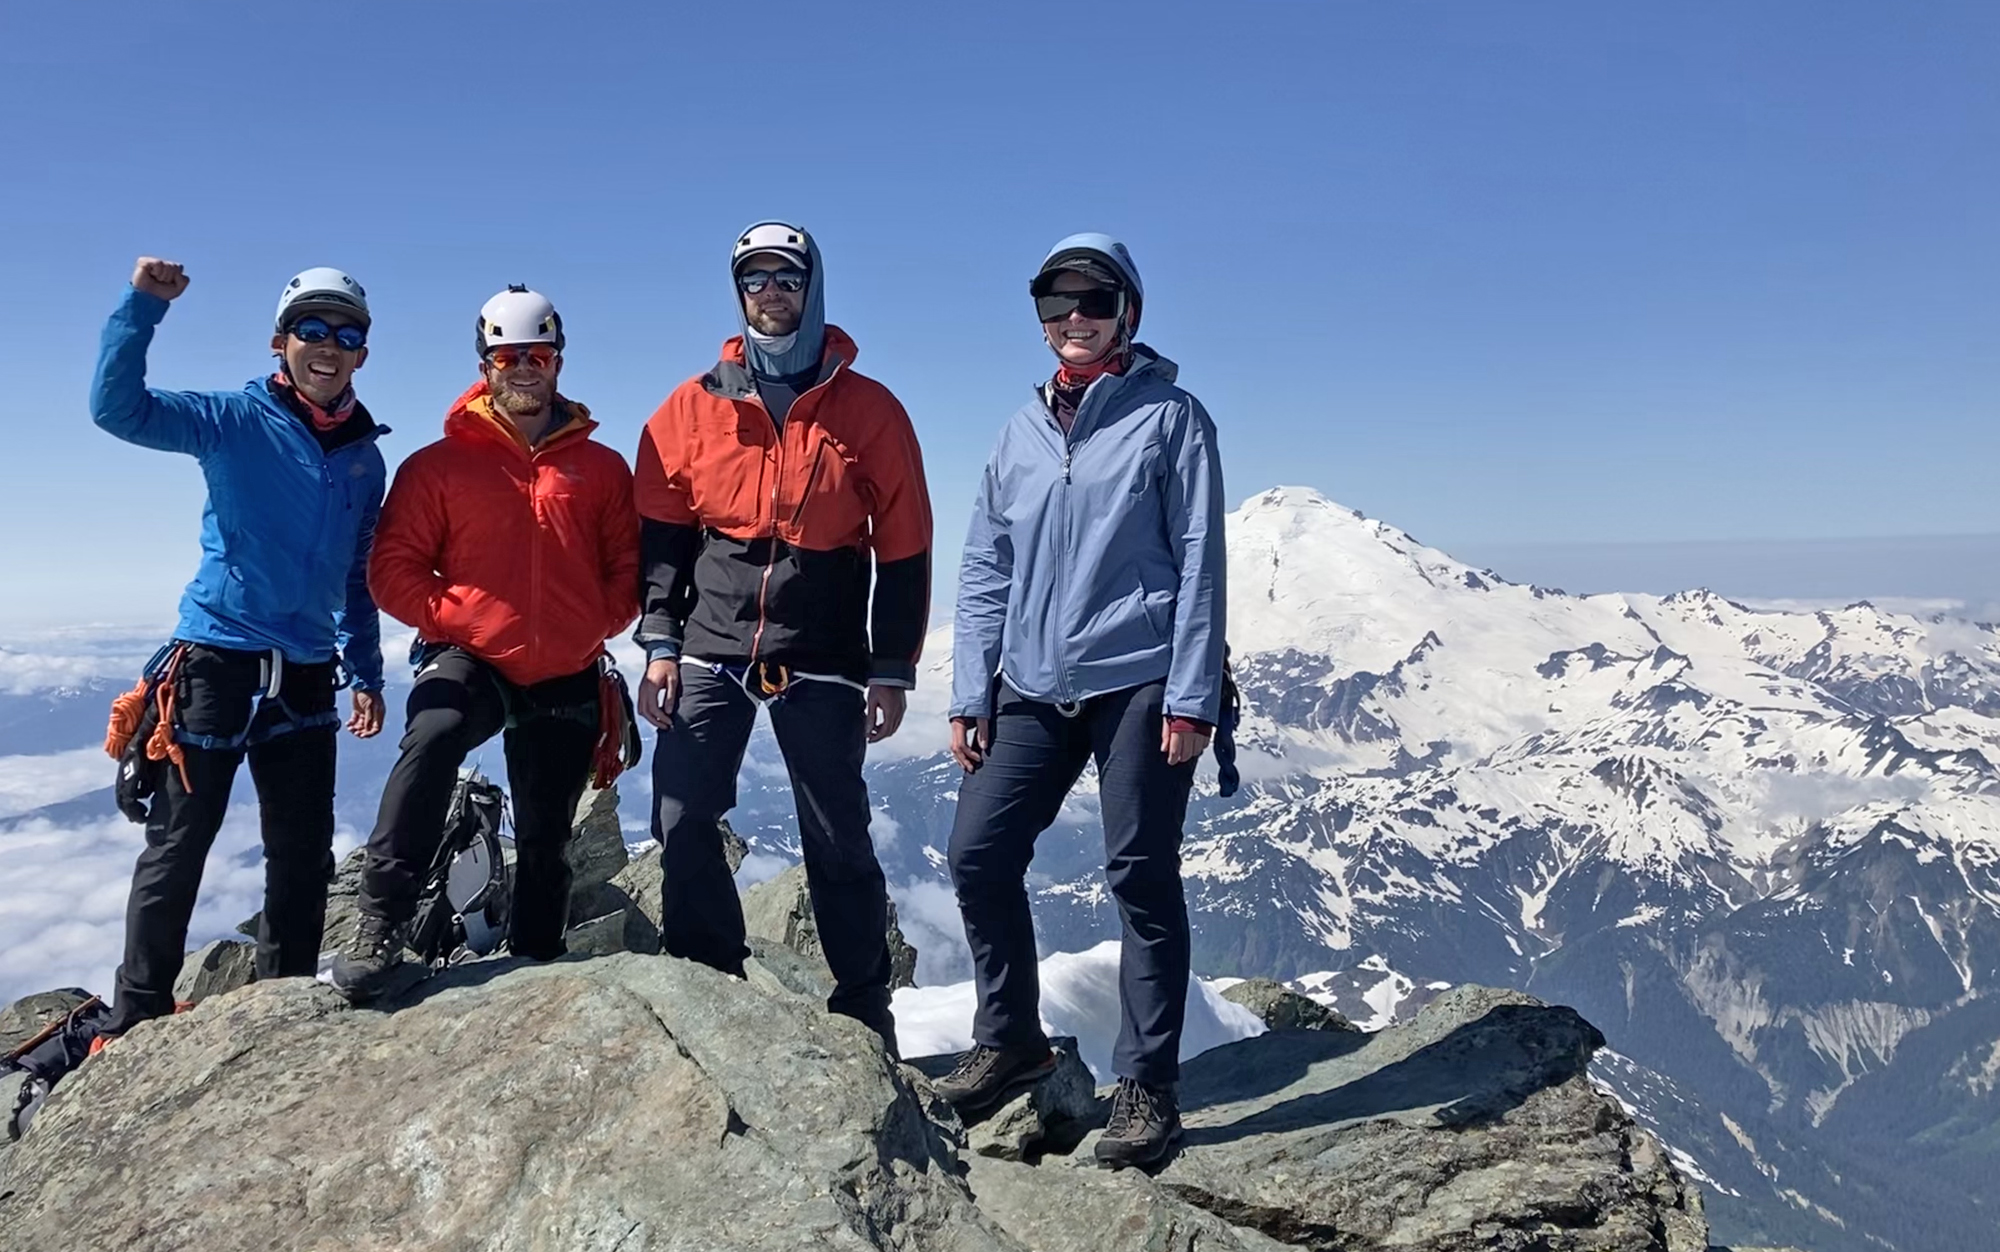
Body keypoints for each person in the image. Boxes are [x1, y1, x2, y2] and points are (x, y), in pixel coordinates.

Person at [936, 234, 1227, 1169]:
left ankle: (1149, 1086)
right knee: (977, 854)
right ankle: (1012, 1039)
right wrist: (970, 687)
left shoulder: (1172, 420)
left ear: (1128, 312)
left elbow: (1200, 571)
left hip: (1139, 679)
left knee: (1140, 874)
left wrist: (1190, 697)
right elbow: (986, 566)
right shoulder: (1017, 433)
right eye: (1054, 306)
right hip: (1030, 683)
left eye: (1091, 304)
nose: (1072, 322)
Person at [632, 221, 932, 1051]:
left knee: (835, 828)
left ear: (813, 288)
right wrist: (659, 643)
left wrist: (893, 666)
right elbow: (661, 529)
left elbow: (904, 541)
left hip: (826, 643)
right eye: (755, 279)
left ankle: (865, 1005)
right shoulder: (695, 403)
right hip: (711, 637)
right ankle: (709, 980)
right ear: (739, 293)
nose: (771, 293)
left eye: (786, 279)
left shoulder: (868, 409)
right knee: (684, 814)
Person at [90, 258, 389, 1040]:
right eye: (310, 329)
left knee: (301, 850)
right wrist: (143, 307)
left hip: (308, 669)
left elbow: (356, 576)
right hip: (216, 660)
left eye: (345, 333)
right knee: (180, 842)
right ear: (279, 342)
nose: (327, 345)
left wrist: (365, 668)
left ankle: (282, 1006)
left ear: (362, 352)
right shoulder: (230, 418)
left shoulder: (364, 455)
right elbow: (116, 411)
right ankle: (137, 1015)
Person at [331, 287, 639, 1002]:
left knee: (546, 833)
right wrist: (455, 616)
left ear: (558, 362)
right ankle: (380, 922)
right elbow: (393, 568)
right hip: (473, 657)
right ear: (485, 364)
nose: (522, 368)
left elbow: (627, 567)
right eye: (507, 356)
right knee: (434, 734)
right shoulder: (438, 466)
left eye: (536, 355)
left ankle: (535, 962)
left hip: (567, 665)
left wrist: (595, 621)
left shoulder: (599, 469)